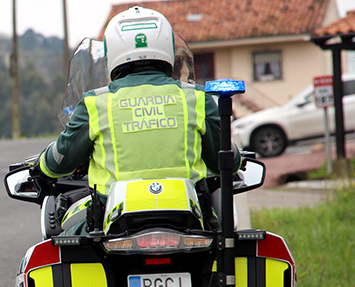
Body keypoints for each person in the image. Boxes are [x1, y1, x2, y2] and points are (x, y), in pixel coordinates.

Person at [34, 6, 239, 235]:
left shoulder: (96, 103)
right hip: (190, 218)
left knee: (61, 244)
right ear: (168, 49)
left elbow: (59, 162)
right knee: (224, 240)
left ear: (111, 53)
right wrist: (238, 157)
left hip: (113, 222)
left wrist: (40, 165)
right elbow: (225, 159)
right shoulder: (196, 97)